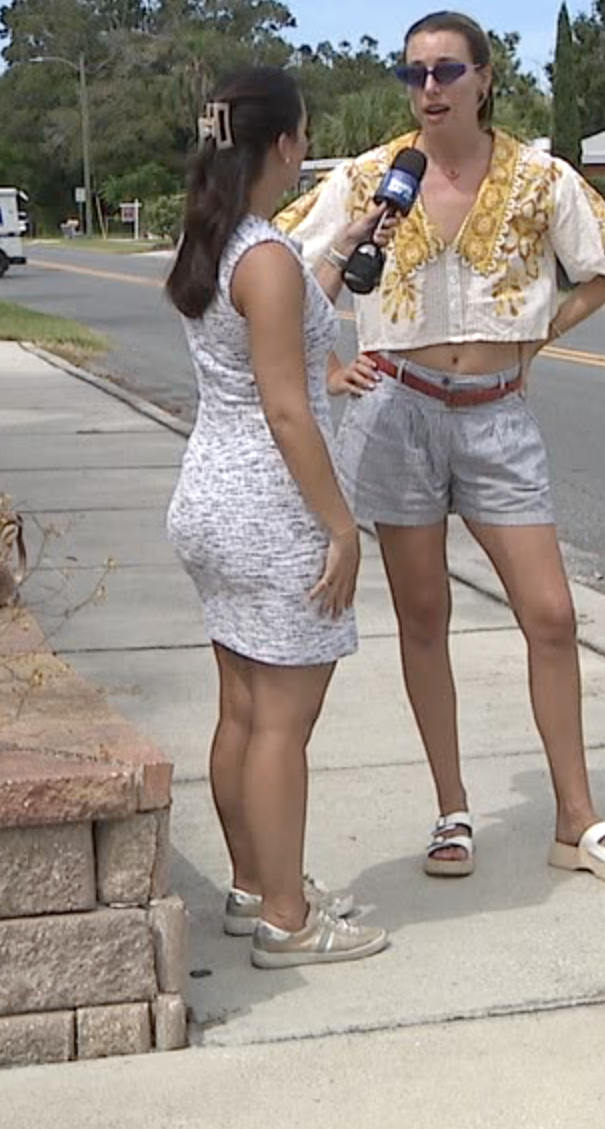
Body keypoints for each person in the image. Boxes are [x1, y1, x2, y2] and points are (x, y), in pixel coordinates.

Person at [275, 10, 605, 886]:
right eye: (414, 74)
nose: (430, 89)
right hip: (397, 408)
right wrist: (328, 365)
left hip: (496, 414)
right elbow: (282, 268)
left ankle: (576, 816)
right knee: (423, 616)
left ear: (486, 77)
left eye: (448, 71)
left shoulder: (538, 179)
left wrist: (542, 334)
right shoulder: (372, 178)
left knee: (551, 614)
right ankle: (452, 810)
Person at [164, 65, 394, 968]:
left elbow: (286, 316)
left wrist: (344, 252)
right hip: (270, 504)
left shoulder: (220, 241)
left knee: (242, 710)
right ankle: (290, 921)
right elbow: (290, 407)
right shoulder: (263, 256)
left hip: (209, 496)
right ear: (286, 143)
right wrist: (341, 527)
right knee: (283, 726)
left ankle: (256, 884)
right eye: (303, 133)